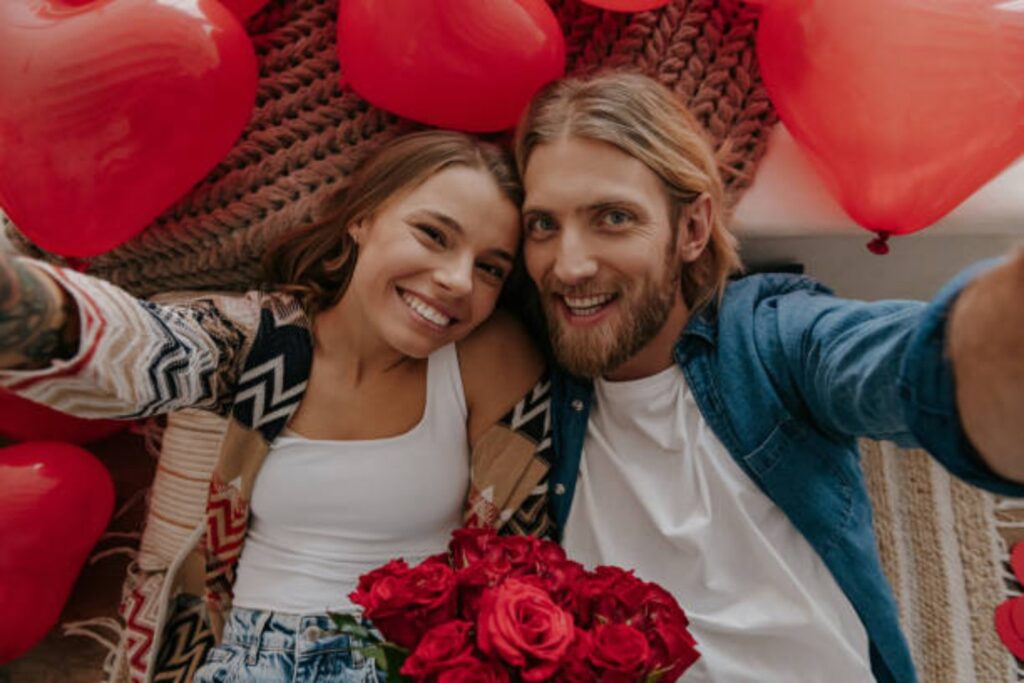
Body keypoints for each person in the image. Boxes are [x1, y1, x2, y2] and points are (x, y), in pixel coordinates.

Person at [484, 71, 1024, 682]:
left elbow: (905, 369)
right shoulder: (529, 387)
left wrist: (994, 334)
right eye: (544, 225)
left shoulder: (768, 340)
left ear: (692, 229)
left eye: (612, 217)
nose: (569, 265)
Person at [0, 130, 543, 682]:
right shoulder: (265, 341)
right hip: (245, 658)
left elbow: (525, 550)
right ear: (362, 219)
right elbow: (149, 348)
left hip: (400, 662)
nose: (458, 280)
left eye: (490, 268)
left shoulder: (487, 357)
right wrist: (23, 305)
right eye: (433, 235)